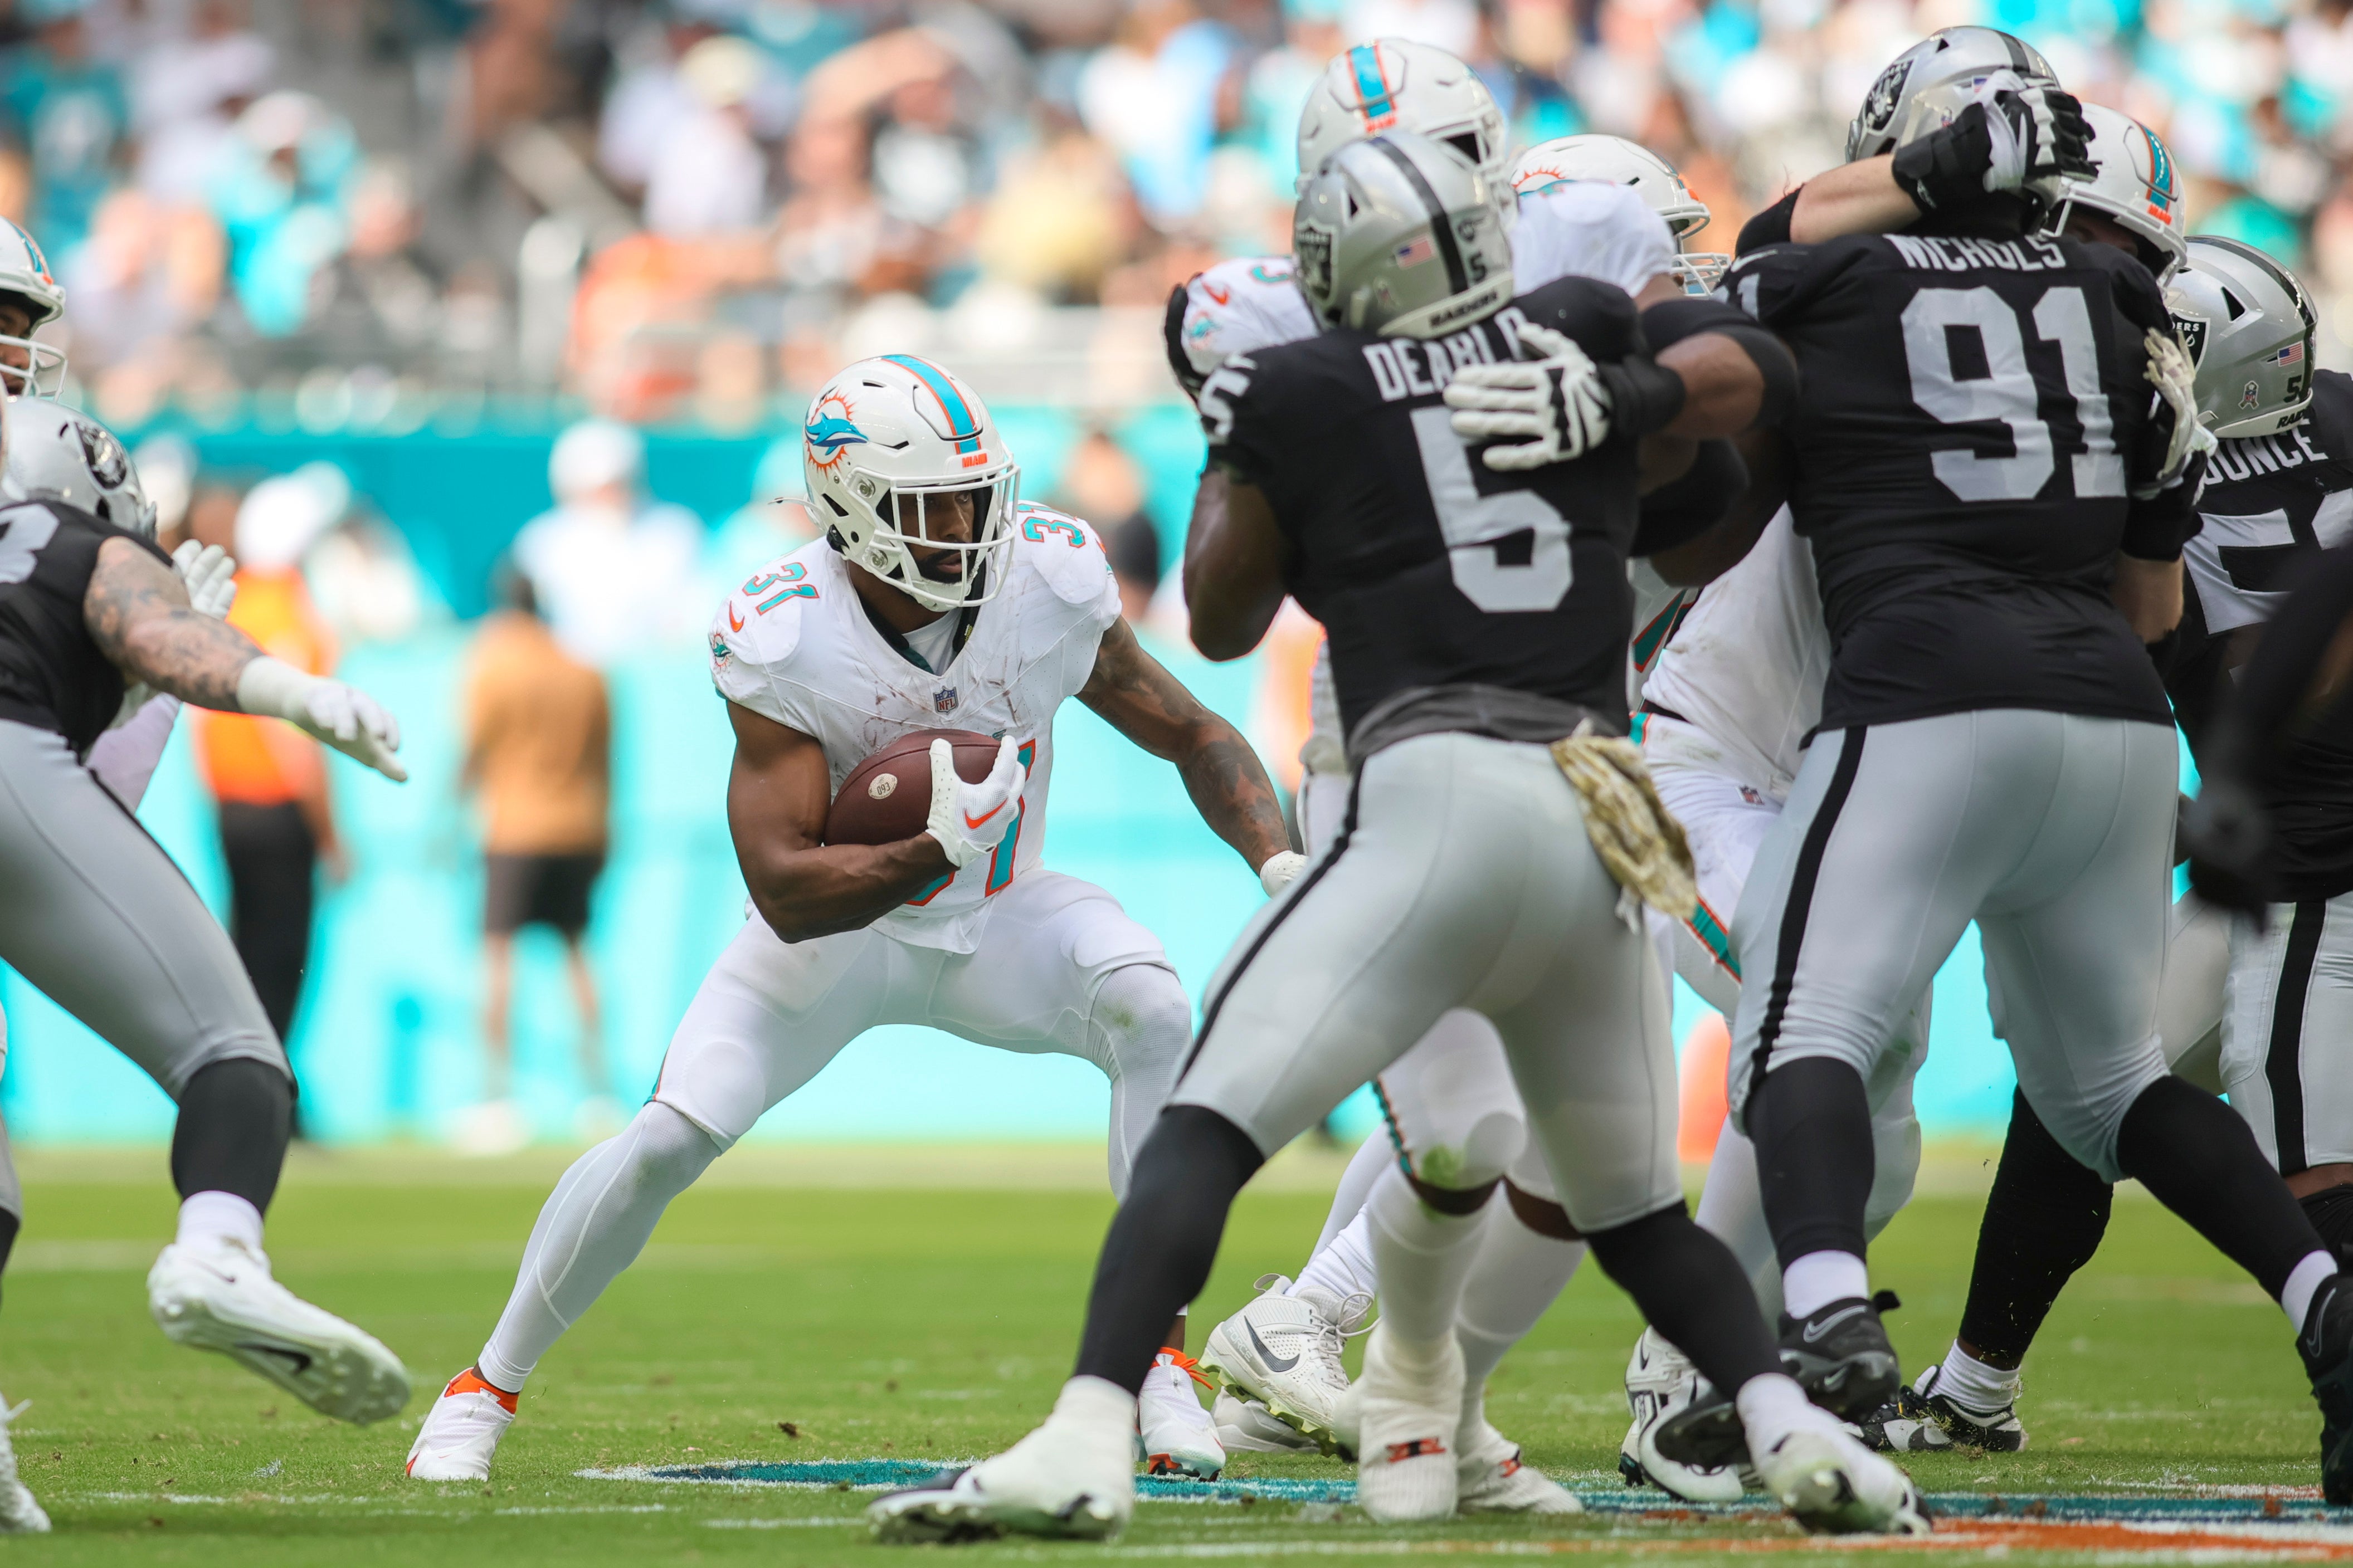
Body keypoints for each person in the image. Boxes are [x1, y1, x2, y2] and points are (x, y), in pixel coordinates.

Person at [868, 130, 1922, 1543]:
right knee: (1630, 1209)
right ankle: (1790, 1432)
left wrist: (1246, 448)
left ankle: (1087, 1431)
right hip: (1591, 808)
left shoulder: (1310, 384)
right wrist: (1627, 406)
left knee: (1204, 1126)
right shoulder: (1572, 330)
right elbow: (1728, 461)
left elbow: (1228, 613)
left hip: (1428, 788)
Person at [405, 352, 1298, 1487]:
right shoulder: (786, 628)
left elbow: (1196, 731)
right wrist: (933, 847)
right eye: (938, 507)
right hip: (832, 942)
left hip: (1001, 917)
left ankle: (1156, 1359)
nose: (972, 528)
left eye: (980, 496)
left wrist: (1279, 867)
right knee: (665, 1140)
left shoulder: (1051, 578)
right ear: (854, 510)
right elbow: (783, 881)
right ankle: (484, 1385)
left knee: (1150, 1003)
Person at [1663, 42, 2353, 1505]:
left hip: (1920, 689)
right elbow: (2152, 609)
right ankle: (2315, 1299)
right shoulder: (2121, 312)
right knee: (2106, 1080)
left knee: (1802, 1027)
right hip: (2104, 720)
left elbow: (1747, 263)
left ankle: (1830, 1315)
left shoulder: (1844, 285)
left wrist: (1896, 191)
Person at [1609, 87, 2196, 1484]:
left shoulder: (1953, 341)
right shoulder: (1853, 324)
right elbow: (1771, 254)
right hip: (1712, 775)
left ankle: (1786, 1353)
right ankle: (1696, 1369)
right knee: (1812, 1032)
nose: (2092, 267)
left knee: (1880, 1085)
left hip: (1847, 780)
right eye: (2075, 227)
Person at [1161, 51, 1710, 1500]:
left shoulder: (1536, 284)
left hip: (1546, 731)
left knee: (1493, 1118)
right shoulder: (1470, 306)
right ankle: (1391, 1365)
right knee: (1492, 1119)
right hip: (1422, 733)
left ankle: (1393, 1370)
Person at [1885, 236, 2353, 1458]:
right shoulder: (2343, 414)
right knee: (2089, 1077)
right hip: (2279, 861)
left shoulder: (2148, 493)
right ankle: (1974, 1384)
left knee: (2308, 1169)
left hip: (2310, 871)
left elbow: (2114, 684)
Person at [0, 393, 412, 1535]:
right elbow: (161, 647)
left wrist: (123, 696)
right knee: (235, 1054)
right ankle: (218, 1252)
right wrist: (300, 693)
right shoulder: (67, 539)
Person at [457, 567, 617, 1155]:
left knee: (498, 959)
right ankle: (598, 1092)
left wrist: (447, 815)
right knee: (578, 956)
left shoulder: (494, 665)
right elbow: (606, 758)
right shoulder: (583, 671)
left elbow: (473, 745)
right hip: (577, 826)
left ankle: (496, 1098)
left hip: (515, 827)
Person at [192, 472, 346, 1059]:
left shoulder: (237, 600)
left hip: (232, 804)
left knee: (246, 946)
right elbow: (293, 738)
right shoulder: (286, 610)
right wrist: (331, 832)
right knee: (281, 954)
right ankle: (266, 1079)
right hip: (276, 808)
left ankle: (248, 1074)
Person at [512, 419, 706, 667]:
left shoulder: (675, 532)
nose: (608, 496)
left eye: (617, 484)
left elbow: (693, 620)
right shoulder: (540, 542)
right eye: (596, 488)